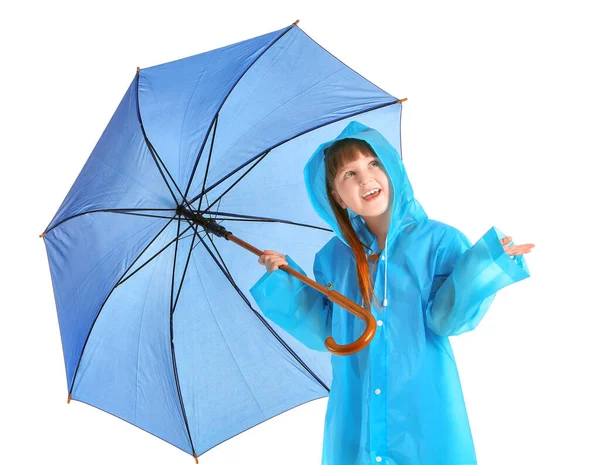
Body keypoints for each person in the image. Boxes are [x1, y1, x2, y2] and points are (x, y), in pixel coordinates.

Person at [249, 121, 535, 465]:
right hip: (357, 409)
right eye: (348, 175)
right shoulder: (333, 258)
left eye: (373, 164)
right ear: (337, 198)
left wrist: (483, 265)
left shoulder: (439, 242)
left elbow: (447, 320)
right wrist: (285, 280)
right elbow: (327, 331)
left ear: (392, 168)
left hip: (422, 409)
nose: (365, 178)